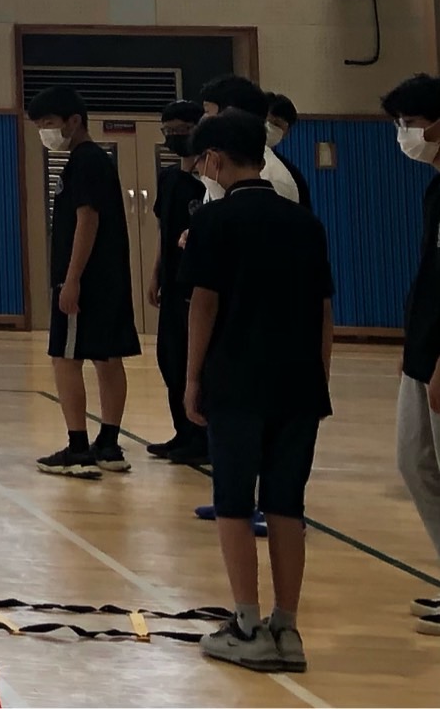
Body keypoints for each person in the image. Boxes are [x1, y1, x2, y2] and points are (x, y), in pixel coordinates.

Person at [180, 110, 333, 673]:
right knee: (287, 503)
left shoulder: (213, 221)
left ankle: (246, 624)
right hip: (299, 383)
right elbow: (324, 310)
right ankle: (286, 628)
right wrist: (319, 376)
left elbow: (204, 304)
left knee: (234, 501)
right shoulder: (305, 222)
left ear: (216, 158)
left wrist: (192, 378)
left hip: (236, 380)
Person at [28, 85, 140, 479]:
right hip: (108, 278)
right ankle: (108, 445)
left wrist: (72, 278)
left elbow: (87, 218)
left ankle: (78, 448)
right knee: (107, 357)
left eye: (48, 122)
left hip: (85, 280)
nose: (44, 132)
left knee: (66, 358)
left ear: (74, 121)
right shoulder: (96, 161)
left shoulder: (84, 161)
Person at [381, 74, 440, 634]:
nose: (405, 134)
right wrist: (413, 342)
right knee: (413, 461)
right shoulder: (434, 187)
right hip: (423, 348)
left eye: (411, 123)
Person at [146, 100, 209, 465]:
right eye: (168, 132)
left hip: (196, 285)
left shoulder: (208, 182)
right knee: (169, 359)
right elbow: (163, 229)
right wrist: (155, 272)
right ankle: (181, 432)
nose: (174, 137)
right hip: (171, 282)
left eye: (181, 131)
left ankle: (202, 437)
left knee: (191, 361)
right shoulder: (170, 178)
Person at [198, 76, 300, 205]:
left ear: (231, 115)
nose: (202, 120)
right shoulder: (218, 165)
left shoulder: (272, 179)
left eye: (207, 111)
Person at [265, 93, 312, 210]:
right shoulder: (233, 161)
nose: (268, 127)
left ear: (286, 132)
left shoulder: (292, 175)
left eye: (276, 124)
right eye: (264, 120)